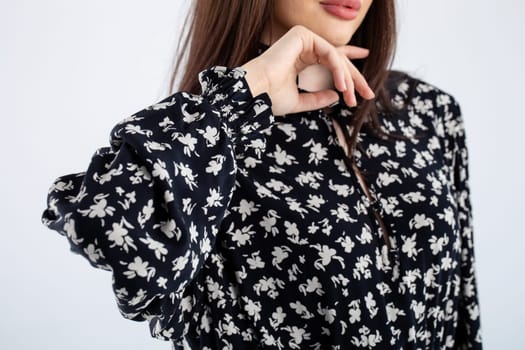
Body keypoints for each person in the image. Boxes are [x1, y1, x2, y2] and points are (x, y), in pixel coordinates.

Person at [42, 0, 483, 349]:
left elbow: (463, 313)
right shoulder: (207, 146)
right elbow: (102, 223)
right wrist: (241, 99)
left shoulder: (429, 113)